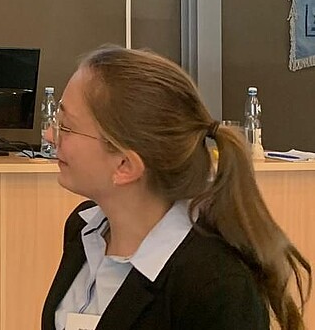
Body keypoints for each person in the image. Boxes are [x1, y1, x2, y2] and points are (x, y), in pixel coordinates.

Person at [41, 46, 311, 330]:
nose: (49, 135)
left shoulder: (216, 285)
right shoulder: (83, 229)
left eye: (66, 126)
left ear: (125, 165)